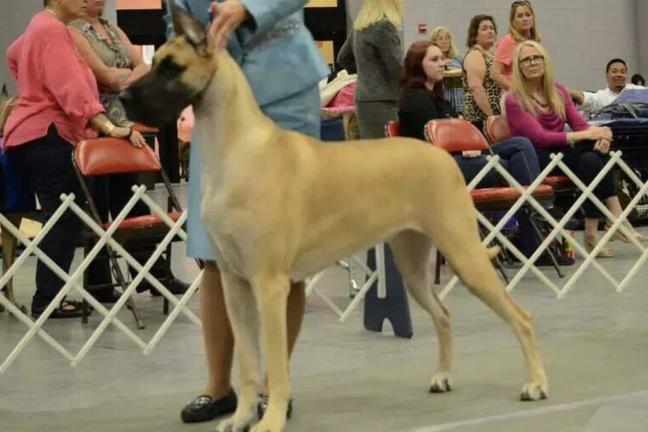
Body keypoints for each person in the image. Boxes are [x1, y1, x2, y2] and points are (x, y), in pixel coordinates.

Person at [163, 0, 329, 423]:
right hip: (214, 100)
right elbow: (175, 18)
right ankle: (218, 387)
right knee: (213, 252)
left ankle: (275, 387)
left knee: (284, 256)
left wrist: (248, 8)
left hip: (284, 87)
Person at [3, 0, 144, 319]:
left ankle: (51, 296)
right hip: (47, 134)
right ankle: (47, 300)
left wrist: (34, 87)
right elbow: (73, 89)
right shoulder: (53, 30)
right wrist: (110, 127)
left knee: (63, 215)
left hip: (31, 135)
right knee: (64, 216)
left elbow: (13, 54)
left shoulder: (40, 25)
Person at [398, 40, 562, 263]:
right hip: (437, 168)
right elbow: (430, 141)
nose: (442, 64)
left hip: (461, 157)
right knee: (510, 166)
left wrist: (471, 147)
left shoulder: (437, 97)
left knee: (521, 145)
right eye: (434, 60)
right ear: (418, 65)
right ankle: (536, 231)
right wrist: (463, 148)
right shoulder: (415, 99)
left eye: (442, 59)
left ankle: (533, 230)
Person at [69, 0, 188, 300]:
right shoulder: (73, 31)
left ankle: (153, 274)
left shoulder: (112, 28)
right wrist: (126, 76)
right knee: (97, 204)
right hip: (96, 123)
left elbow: (143, 66)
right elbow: (105, 77)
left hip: (125, 121)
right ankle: (100, 285)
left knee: (133, 200)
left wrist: (124, 77)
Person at [505, 41, 645, 257]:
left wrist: (603, 134)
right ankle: (616, 219)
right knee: (591, 147)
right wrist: (589, 135)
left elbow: (581, 125)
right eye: (526, 59)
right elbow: (539, 138)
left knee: (592, 158)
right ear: (519, 66)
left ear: (545, 61)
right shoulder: (514, 99)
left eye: (537, 57)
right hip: (534, 158)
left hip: (564, 154)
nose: (532, 62)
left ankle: (593, 231)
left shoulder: (559, 91)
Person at [336, 0, 403, 139]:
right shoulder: (385, 26)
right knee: (386, 149)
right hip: (383, 101)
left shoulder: (359, 28)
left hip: (363, 100)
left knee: (371, 147)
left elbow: (342, 58)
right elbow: (397, 67)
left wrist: (366, 73)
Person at [462, 14, 501, 132]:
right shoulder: (475, 54)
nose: (489, 31)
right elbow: (476, 88)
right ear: (475, 35)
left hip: (495, 118)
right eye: (484, 29)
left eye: (491, 28)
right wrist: (491, 117)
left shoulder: (492, 55)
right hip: (480, 120)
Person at [571, 59, 646, 118]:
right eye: (614, 71)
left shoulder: (638, 91)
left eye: (622, 72)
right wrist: (570, 93)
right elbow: (587, 98)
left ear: (626, 75)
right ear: (606, 75)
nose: (619, 75)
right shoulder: (601, 97)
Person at [492, 0, 540, 91]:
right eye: (520, 16)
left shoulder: (533, 41)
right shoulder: (508, 41)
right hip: (517, 94)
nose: (525, 19)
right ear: (513, 21)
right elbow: (495, 74)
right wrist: (516, 92)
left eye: (528, 15)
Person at [430, 26, 463, 114]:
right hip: (442, 101)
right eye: (440, 39)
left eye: (446, 38)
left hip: (460, 101)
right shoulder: (432, 60)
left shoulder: (458, 59)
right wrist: (443, 64)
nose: (444, 42)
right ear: (434, 42)